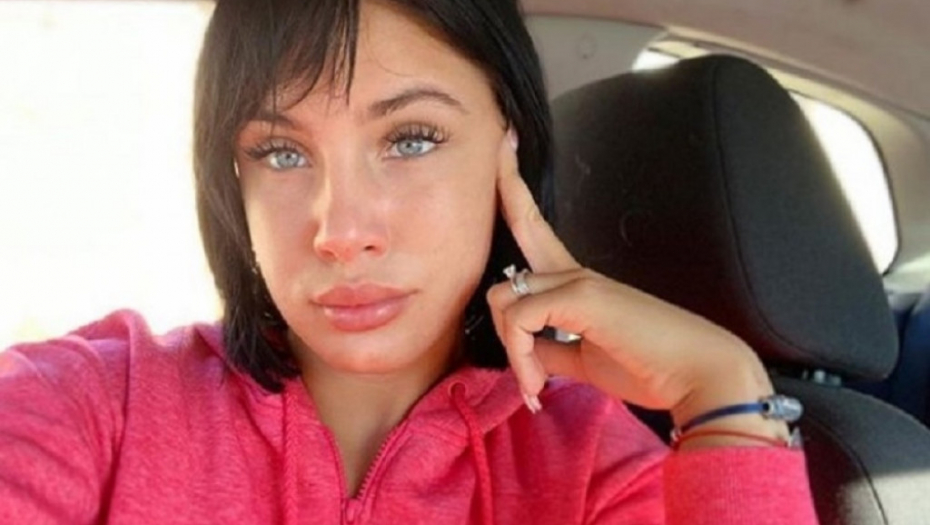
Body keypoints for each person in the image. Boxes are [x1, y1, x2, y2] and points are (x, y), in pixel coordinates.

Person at [0, 0, 819, 523]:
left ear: (508, 151)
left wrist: (723, 389)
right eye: (282, 152)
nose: (342, 229)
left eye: (412, 139)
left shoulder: (596, 478)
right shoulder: (100, 403)